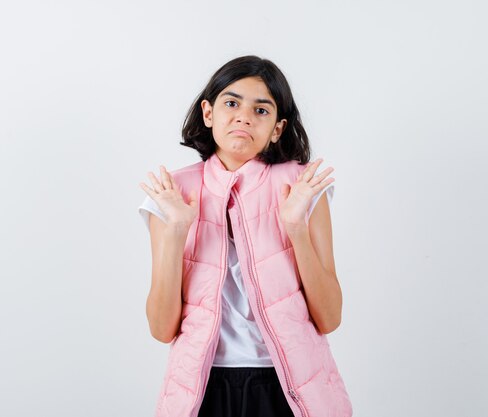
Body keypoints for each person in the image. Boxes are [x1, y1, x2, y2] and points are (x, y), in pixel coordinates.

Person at [138, 55, 352, 417]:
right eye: (232, 103)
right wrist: (176, 230)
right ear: (208, 113)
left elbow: (329, 317)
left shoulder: (303, 186)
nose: (244, 117)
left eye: (262, 110)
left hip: (287, 388)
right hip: (203, 389)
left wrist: (295, 226)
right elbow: (162, 329)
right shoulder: (172, 192)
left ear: (278, 129)